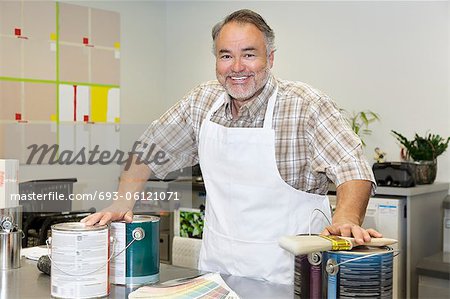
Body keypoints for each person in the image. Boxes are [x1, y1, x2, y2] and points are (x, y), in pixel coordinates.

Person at [82, 9, 381, 284]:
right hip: (217, 271)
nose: (237, 67)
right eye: (226, 56)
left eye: (249, 54)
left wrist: (346, 217)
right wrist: (123, 201)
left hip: (290, 276)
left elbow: (352, 167)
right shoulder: (201, 102)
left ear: (271, 58)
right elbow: (147, 149)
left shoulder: (305, 105)